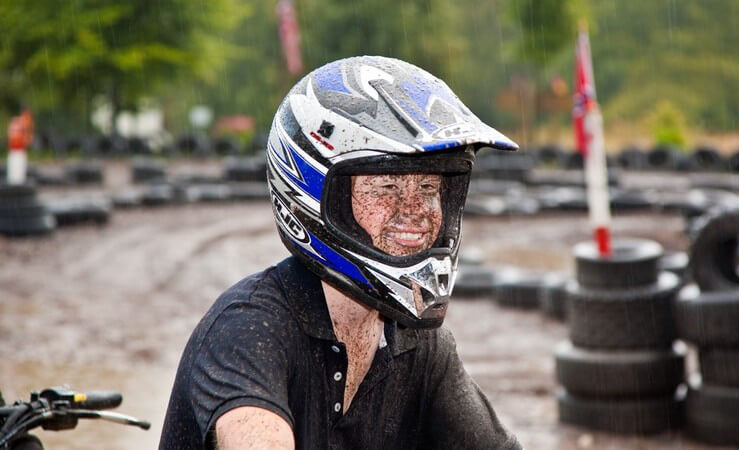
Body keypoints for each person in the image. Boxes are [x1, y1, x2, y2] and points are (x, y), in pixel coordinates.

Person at [160, 56, 521, 450]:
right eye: (386, 188)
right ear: (321, 195)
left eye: (430, 189)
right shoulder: (247, 327)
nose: (417, 212)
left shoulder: (416, 344)